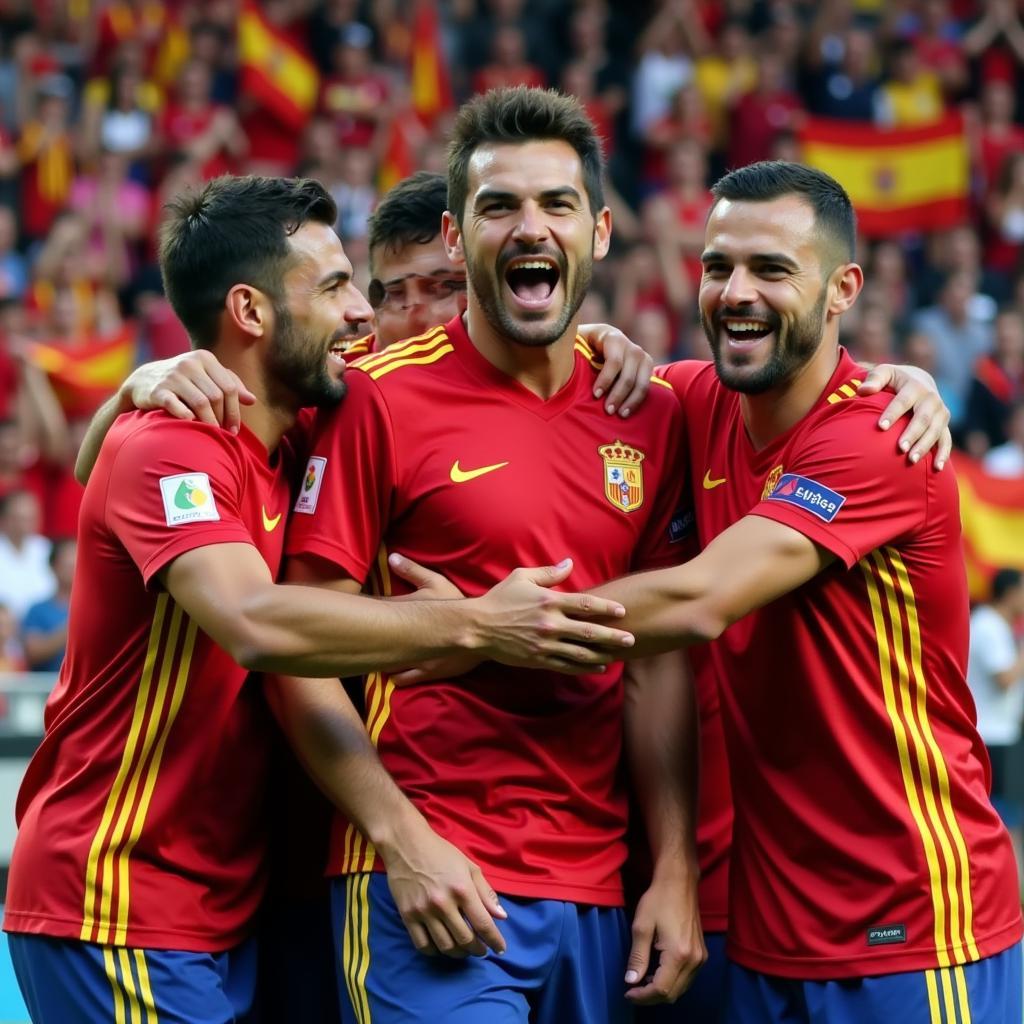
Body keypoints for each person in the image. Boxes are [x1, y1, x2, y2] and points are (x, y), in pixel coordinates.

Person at [1, 174, 638, 1024]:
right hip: (121, 889)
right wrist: (480, 621)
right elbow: (256, 623)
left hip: (238, 897)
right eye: (342, 287)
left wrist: (577, 344)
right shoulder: (174, 445)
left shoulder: (297, 433)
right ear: (252, 313)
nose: (369, 315)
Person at [280, 86, 705, 1023]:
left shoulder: (653, 411)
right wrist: (401, 841)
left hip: (595, 893)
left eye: (556, 204)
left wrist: (674, 870)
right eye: (498, 205)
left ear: (597, 229)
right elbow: (289, 649)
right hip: (429, 884)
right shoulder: (375, 402)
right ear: (456, 229)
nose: (529, 227)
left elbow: (658, 662)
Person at [584, 161, 1023, 1023]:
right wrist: (602, 336)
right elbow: (561, 378)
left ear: (842, 289)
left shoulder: (882, 438)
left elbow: (698, 601)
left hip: (915, 926)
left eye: (772, 269)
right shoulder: (698, 401)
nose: (735, 292)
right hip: (768, 931)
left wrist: (472, 624)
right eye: (718, 267)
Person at [967, 568, 1024, 878]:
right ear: (1011, 593)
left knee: (1006, 818)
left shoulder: (996, 625)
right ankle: (1006, 893)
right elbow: (1005, 678)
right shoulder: (988, 626)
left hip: (1000, 735)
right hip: (992, 738)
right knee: (1003, 821)